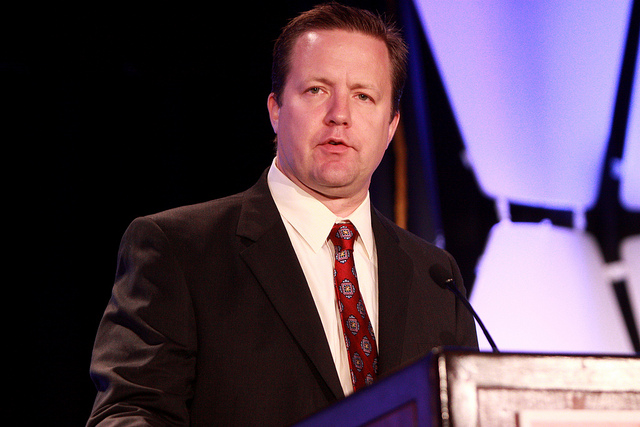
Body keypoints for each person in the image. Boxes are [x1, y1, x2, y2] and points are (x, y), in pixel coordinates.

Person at [87, 3, 478, 426]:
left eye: (363, 96)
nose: (340, 116)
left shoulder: (436, 276)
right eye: (317, 90)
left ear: (391, 126)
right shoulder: (179, 249)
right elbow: (128, 414)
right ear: (275, 110)